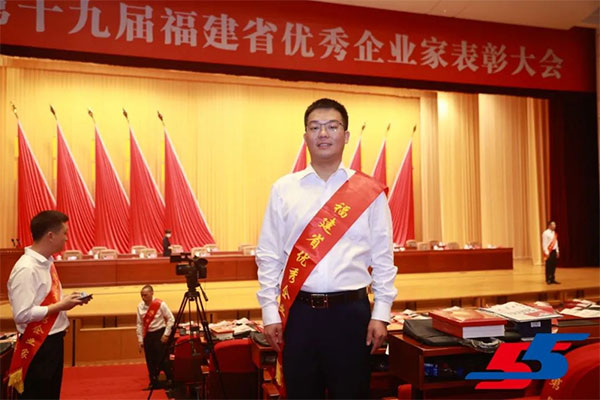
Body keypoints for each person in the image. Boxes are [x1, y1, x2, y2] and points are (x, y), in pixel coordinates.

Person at [256, 98, 398, 398]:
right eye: (315, 127)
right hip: (299, 315)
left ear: (345, 136)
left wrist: (381, 313)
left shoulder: (369, 193)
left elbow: (383, 258)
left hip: (351, 315)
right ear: (305, 136)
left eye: (332, 126)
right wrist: (270, 312)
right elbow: (269, 256)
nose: (323, 133)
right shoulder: (284, 189)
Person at [7, 210, 91, 399]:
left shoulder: (46, 263)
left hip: (52, 342)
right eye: (65, 233)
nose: (67, 238)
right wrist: (60, 306)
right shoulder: (26, 269)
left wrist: (68, 300)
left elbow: (47, 300)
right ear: (51, 236)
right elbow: (22, 314)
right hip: (39, 347)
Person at [136, 284, 175, 389]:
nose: (143, 298)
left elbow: (171, 319)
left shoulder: (160, 304)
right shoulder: (140, 306)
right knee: (150, 360)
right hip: (148, 335)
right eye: (142, 295)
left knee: (162, 358)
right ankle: (153, 381)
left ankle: (170, 379)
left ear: (152, 293)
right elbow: (139, 324)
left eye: (145, 295)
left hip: (159, 333)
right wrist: (140, 340)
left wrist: (166, 334)